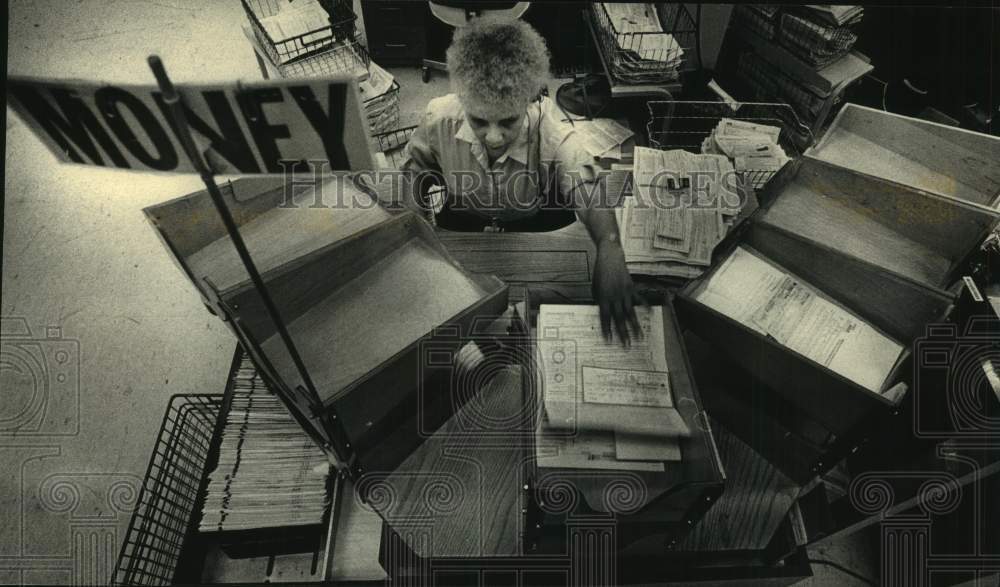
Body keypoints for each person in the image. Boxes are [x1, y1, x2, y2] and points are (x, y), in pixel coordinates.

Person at [401, 16, 642, 345]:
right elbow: (414, 171)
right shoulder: (438, 117)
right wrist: (411, 237)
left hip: (529, 223)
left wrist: (610, 244)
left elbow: (585, 180)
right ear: (463, 101)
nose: (495, 137)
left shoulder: (550, 127)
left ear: (529, 102)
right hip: (466, 220)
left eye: (509, 121)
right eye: (479, 121)